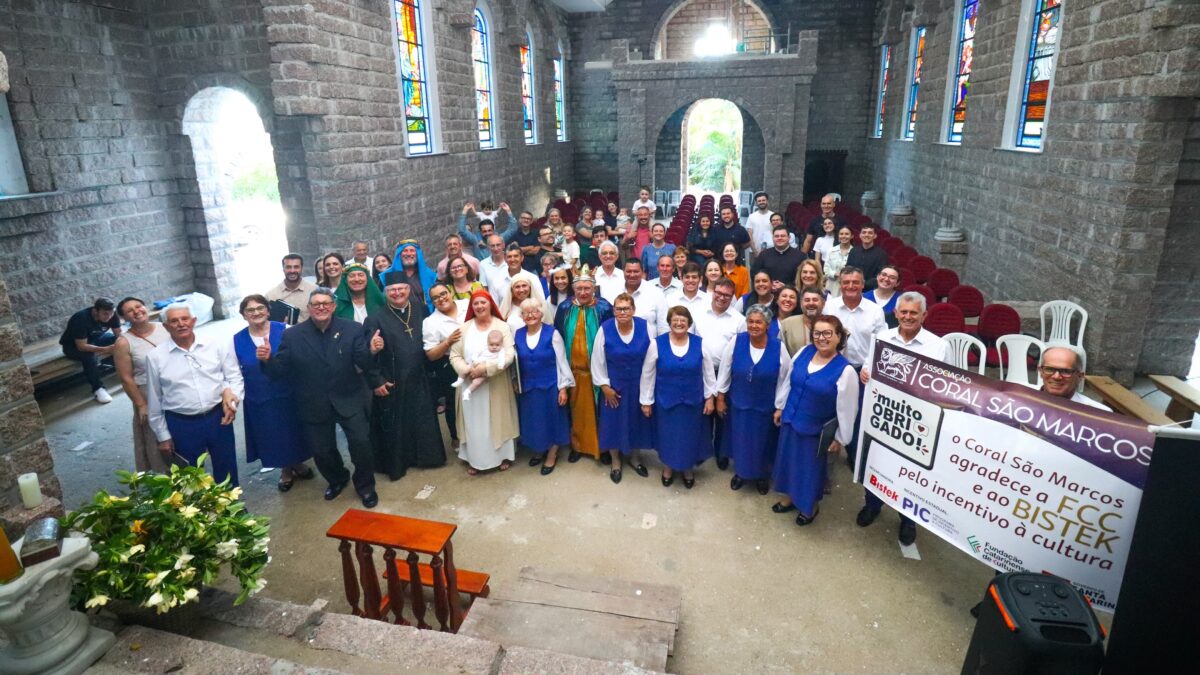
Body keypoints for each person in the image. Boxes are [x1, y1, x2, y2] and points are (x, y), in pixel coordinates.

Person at [259, 288, 380, 508]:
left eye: (326, 303)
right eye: (316, 304)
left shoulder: (352, 329)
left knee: (362, 444)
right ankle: (337, 479)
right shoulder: (292, 335)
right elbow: (279, 372)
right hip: (313, 402)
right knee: (321, 451)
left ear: (333, 306)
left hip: (348, 398)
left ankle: (365, 486)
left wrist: (371, 352)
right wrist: (267, 360)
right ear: (309, 308)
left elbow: (363, 362)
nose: (321, 307)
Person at [859, 292, 949, 544]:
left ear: (924, 315)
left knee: (911, 474)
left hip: (917, 423)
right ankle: (872, 505)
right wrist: (865, 373)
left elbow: (947, 385)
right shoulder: (882, 338)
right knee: (876, 463)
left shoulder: (938, 346)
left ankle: (908, 520)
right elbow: (869, 365)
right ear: (896, 313)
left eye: (913, 313)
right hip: (884, 417)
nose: (908, 317)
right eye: (904, 312)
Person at [771, 315, 859, 525]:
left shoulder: (845, 371)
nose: (822, 338)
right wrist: (780, 406)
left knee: (809, 471)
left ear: (839, 337)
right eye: (817, 333)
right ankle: (789, 497)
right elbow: (788, 381)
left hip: (815, 432)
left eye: (828, 333)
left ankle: (809, 507)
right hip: (791, 421)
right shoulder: (804, 352)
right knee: (788, 462)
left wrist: (841, 438)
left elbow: (848, 409)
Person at [146, 304, 244, 486]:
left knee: (227, 464)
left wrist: (232, 402)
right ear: (166, 327)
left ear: (193, 321)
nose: (181, 324)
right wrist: (163, 436)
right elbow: (154, 399)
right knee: (190, 474)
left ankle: (233, 507)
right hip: (181, 423)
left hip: (217, 416)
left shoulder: (215, 344)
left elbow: (233, 376)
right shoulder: (155, 357)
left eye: (185, 319)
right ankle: (200, 512)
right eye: (174, 321)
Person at [364, 273, 446, 480]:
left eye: (401, 289)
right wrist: (376, 380)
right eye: (392, 290)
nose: (397, 293)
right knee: (397, 426)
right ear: (386, 293)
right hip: (393, 379)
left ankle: (427, 458)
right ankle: (400, 463)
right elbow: (367, 355)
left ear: (409, 290)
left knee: (422, 419)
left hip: (420, 377)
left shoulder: (421, 309)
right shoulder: (375, 318)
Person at [232, 295, 312, 491]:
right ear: (243, 315)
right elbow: (234, 371)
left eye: (260, 308)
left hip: (288, 391)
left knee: (294, 430)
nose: (256, 313)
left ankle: (297, 462)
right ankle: (285, 470)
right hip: (259, 396)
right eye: (250, 310)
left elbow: (299, 360)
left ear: (268, 310)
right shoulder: (236, 340)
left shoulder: (285, 330)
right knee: (273, 434)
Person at [717, 304, 791, 495]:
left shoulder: (779, 347)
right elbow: (725, 370)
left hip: (765, 407)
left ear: (767, 325)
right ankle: (741, 474)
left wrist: (780, 407)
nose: (754, 325)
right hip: (739, 404)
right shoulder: (736, 341)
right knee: (740, 440)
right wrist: (721, 398)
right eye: (750, 321)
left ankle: (761, 476)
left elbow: (786, 380)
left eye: (759, 322)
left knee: (762, 442)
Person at [640, 306, 717, 488]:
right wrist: (646, 400)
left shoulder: (700, 343)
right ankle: (668, 467)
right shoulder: (656, 344)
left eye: (683, 320)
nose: (679, 323)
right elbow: (647, 374)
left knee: (690, 437)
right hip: (666, 402)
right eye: (675, 320)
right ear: (669, 323)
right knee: (668, 437)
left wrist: (710, 398)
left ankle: (687, 468)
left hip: (693, 403)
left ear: (689, 323)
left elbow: (708, 373)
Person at [449, 290, 519, 474]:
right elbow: (454, 354)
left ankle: (503, 456)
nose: (479, 306)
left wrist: (486, 368)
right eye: (476, 304)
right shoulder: (464, 328)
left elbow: (509, 355)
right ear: (472, 307)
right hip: (469, 385)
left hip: (495, 383)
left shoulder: (501, 326)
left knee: (498, 419)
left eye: (483, 302)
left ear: (490, 304)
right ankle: (475, 459)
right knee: (474, 424)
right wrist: (465, 370)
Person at [592, 293, 655, 484]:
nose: (622, 312)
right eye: (618, 309)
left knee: (636, 423)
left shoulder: (646, 327)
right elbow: (597, 360)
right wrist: (604, 386)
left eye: (626, 308)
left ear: (633, 310)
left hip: (638, 385)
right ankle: (616, 461)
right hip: (614, 388)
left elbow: (652, 360)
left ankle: (635, 459)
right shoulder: (605, 329)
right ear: (614, 311)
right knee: (613, 424)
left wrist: (647, 394)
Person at [553, 273, 613, 464]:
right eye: (579, 288)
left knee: (600, 411)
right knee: (575, 410)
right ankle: (577, 446)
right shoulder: (564, 308)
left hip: (598, 371)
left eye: (587, 288)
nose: (583, 292)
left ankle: (602, 448)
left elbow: (610, 336)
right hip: (574, 371)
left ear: (594, 288)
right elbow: (558, 337)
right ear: (574, 289)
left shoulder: (604, 307)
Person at [514, 298, 574, 475]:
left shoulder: (552, 333)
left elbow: (562, 361)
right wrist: (514, 380)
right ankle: (540, 449)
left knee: (552, 420)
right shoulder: (517, 334)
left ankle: (552, 454)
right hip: (528, 388)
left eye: (534, 311)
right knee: (534, 421)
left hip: (550, 386)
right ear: (522, 316)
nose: (531, 315)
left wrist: (563, 388)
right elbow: (514, 362)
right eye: (526, 312)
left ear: (541, 313)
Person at [692, 277, 747, 470]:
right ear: (712, 291)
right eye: (719, 293)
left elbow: (740, 350)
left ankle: (721, 452)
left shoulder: (740, 321)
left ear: (733, 297)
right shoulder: (698, 313)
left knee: (723, 414)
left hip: (726, 373)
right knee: (703, 411)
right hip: (699, 372)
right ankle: (699, 451)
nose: (722, 298)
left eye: (727, 295)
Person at [112, 297, 171, 472]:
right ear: (124, 318)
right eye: (130, 311)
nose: (136, 311)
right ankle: (165, 477)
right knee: (156, 437)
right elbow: (126, 378)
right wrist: (141, 404)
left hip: (174, 387)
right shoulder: (124, 343)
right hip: (147, 393)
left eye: (138, 306)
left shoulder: (165, 328)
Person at [423, 283, 464, 449]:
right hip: (450, 366)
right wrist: (447, 342)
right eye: (435, 298)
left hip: (478, 360)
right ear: (432, 301)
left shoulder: (468, 304)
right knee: (454, 403)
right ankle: (456, 437)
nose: (441, 299)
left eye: (443, 294)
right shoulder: (430, 322)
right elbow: (431, 354)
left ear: (451, 292)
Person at [60, 297, 122, 403]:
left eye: (111, 313)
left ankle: (130, 372)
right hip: (73, 346)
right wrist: (106, 349)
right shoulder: (80, 319)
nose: (109, 317)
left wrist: (120, 344)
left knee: (121, 343)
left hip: (96, 339)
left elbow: (119, 335)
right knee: (89, 356)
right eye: (105, 314)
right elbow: (82, 346)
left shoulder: (112, 315)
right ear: (95, 310)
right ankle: (98, 389)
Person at [1038, 346, 1111, 411]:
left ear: (1079, 376)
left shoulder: (1099, 414)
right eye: (1049, 369)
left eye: (1065, 371)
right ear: (1040, 371)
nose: (1056, 377)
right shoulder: (1026, 401)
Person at [454, 329, 506, 400]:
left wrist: (500, 365)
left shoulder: (501, 350)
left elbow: (502, 358)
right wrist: (474, 360)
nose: (494, 347)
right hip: (476, 363)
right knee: (465, 369)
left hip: (485, 370)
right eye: (491, 344)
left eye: (497, 345)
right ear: (488, 343)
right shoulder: (484, 347)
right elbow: (476, 353)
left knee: (478, 382)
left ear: (501, 344)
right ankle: (460, 379)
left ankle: (467, 392)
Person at [621, 258, 668, 336]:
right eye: (628, 271)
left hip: (649, 346)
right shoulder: (616, 291)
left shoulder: (655, 293)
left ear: (642, 272)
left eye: (636, 271)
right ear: (623, 272)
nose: (632, 275)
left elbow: (663, 326)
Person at [265, 253, 318, 323]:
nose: (292, 271)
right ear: (283, 269)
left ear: (302, 268)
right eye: (288, 267)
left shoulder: (314, 290)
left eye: (296, 267)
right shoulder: (271, 295)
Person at [751, 224, 805, 292]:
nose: (779, 238)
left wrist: (786, 287)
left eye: (783, 236)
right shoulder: (764, 255)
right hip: (767, 294)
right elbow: (754, 273)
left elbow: (803, 278)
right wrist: (769, 285)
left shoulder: (800, 256)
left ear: (789, 238)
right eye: (776, 236)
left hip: (791, 295)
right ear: (773, 238)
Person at [780, 286, 826, 356]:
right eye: (807, 300)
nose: (811, 303)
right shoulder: (787, 324)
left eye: (815, 300)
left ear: (823, 303)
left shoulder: (832, 324)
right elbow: (781, 354)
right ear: (801, 304)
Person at [390, 240, 438, 309]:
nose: (409, 254)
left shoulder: (430, 275)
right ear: (399, 254)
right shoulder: (390, 276)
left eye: (412, 250)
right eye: (405, 251)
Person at [846, 225, 889, 290]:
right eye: (864, 232)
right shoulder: (853, 251)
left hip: (871, 290)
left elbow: (880, 275)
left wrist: (862, 284)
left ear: (875, 236)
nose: (866, 235)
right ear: (860, 235)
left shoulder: (881, 254)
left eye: (870, 233)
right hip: (852, 287)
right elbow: (848, 268)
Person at [823, 226, 855, 296]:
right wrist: (835, 274)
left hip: (848, 286)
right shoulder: (831, 250)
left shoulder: (855, 252)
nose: (844, 236)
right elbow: (826, 269)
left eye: (846, 234)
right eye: (841, 234)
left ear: (852, 236)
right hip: (831, 285)